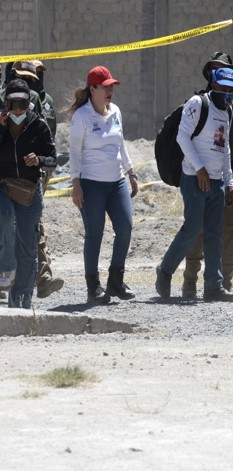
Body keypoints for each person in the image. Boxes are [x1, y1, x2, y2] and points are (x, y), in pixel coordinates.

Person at [181, 15, 233, 300]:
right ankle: (190, 282)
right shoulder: (198, 102)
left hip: (230, 170)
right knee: (198, 229)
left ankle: (224, 281)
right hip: (201, 172)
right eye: (214, 70)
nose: (219, 74)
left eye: (224, 70)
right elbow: (183, 138)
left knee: (228, 228)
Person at [156, 67, 233, 302]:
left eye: (231, 89)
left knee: (215, 233)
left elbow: (225, 148)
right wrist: (200, 169)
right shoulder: (197, 104)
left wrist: (229, 181)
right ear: (213, 85)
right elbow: (182, 137)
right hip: (193, 177)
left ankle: (214, 285)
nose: (228, 93)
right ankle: (165, 270)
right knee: (193, 228)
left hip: (216, 181)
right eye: (224, 88)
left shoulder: (228, 112)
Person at [69, 66, 138, 304]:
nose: (110, 91)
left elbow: (121, 144)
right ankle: (93, 286)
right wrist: (76, 184)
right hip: (91, 184)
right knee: (95, 234)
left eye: (112, 87)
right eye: (105, 87)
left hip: (116, 182)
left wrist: (131, 171)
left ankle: (115, 281)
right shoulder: (82, 117)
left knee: (126, 227)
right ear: (93, 89)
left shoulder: (116, 111)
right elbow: (74, 153)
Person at [0, 79, 56, 308]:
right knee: (4, 217)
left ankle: (21, 298)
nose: (18, 110)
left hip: (29, 191)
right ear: (6, 104)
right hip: (3, 187)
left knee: (28, 246)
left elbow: (53, 158)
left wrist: (39, 160)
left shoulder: (38, 125)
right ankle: (6, 267)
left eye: (23, 104)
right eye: (13, 104)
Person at [26, 60, 64, 299]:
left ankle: (42, 277)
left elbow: (48, 135)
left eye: (39, 74)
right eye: (32, 75)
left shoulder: (44, 101)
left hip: (36, 171)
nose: (36, 79)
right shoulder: (10, 99)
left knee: (35, 222)